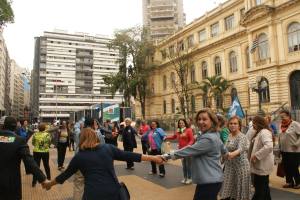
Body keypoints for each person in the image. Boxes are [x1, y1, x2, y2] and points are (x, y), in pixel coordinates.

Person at [43, 128, 164, 200]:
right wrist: (154, 158)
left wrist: (49, 184)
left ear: (81, 139)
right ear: (95, 137)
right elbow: (130, 155)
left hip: (92, 195)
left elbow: (64, 176)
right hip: (113, 193)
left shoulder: (79, 157)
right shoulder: (108, 148)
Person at [163, 108, 228, 200]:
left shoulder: (209, 138)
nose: (201, 122)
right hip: (211, 180)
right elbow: (224, 150)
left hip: (209, 181)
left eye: (204, 119)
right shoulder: (214, 135)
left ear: (212, 122)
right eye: (199, 119)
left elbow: (190, 150)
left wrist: (167, 156)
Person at [0, 116, 47, 200]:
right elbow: (29, 161)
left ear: (3, 126)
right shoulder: (19, 141)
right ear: (15, 127)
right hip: (11, 184)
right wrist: (43, 179)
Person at [220, 116, 252, 200]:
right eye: (231, 123)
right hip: (230, 167)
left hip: (241, 168)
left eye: (235, 123)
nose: (232, 125)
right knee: (227, 189)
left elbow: (239, 150)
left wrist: (228, 154)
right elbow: (224, 148)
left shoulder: (242, 137)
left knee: (239, 192)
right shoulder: (229, 135)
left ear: (239, 125)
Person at [248, 116, 274, 200]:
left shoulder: (264, 132)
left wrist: (256, 155)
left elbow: (269, 146)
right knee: (264, 189)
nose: (253, 125)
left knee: (260, 190)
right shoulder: (259, 132)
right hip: (260, 166)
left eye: (254, 123)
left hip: (262, 166)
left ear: (258, 123)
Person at [166, 118, 195, 184]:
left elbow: (192, 140)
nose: (181, 124)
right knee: (184, 165)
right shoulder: (178, 131)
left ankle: (189, 178)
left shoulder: (189, 130)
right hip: (180, 150)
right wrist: (166, 137)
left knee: (188, 165)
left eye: (182, 123)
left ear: (185, 123)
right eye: (180, 123)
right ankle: (185, 178)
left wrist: (188, 145)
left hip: (187, 150)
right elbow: (173, 137)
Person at [278, 110, 300, 189]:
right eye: (281, 117)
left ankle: (298, 182)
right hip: (284, 150)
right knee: (286, 167)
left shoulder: (295, 124)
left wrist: (297, 143)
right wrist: (279, 148)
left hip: (294, 151)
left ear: (288, 116)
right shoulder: (281, 125)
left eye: (283, 116)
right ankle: (289, 182)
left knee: (294, 167)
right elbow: (280, 137)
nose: (282, 118)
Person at [31, 122, 52, 187]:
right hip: (45, 152)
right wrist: (46, 146)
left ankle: (34, 182)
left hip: (36, 152)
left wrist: (37, 146)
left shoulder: (35, 134)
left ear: (38, 128)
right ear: (45, 128)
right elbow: (49, 142)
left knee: (36, 166)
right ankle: (49, 178)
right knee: (46, 165)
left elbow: (33, 143)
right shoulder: (47, 135)